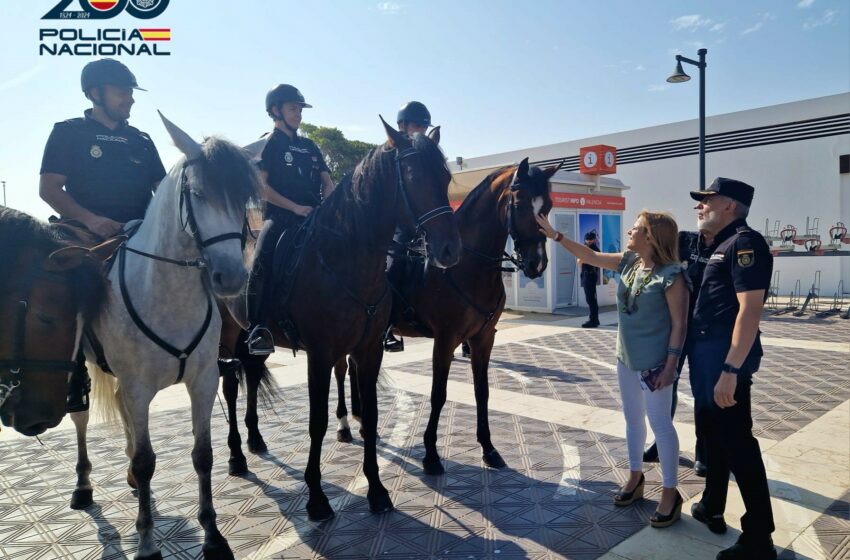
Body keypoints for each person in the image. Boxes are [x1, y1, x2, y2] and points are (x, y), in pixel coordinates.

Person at [536, 210, 689, 528]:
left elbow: (679, 325)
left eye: (635, 228)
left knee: (661, 426)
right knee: (633, 422)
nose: (629, 232)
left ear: (651, 236)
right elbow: (589, 255)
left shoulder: (672, 275)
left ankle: (670, 494)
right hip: (626, 358)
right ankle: (635, 478)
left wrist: (671, 366)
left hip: (656, 364)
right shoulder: (630, 263)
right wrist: (555, 234)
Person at [39, 58, 166, 414]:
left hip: (141, 231)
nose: (130, 98)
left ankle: (212, 349)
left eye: (130, 92)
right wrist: (91, 219)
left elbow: (162, 188)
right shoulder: (68, 131)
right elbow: (49, 188)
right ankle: (75, 371)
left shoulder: (141, 139)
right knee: (62, 284)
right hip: (85, 232)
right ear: (96, 92)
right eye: (122, 91)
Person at [688, 178, 776, 560]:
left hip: (726, 361)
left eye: (706, 200)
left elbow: (750, 309)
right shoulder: (716, 244)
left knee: (739, 443)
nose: (699, 206)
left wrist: (731, 369)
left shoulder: (745, 243)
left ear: (729, 206)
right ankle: (712, 505)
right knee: (714, 435)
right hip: (707, 356)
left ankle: (759, 538)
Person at [244, 84, 334, 355]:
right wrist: (295, 208)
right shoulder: (268, 144)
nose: (298, 114)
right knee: (261, 260)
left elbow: (327, 183)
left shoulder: (309, 146)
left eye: (299, 109)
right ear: (276, 110)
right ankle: (258, 328)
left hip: (316, 218)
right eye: (293, 109)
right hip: (282, 218)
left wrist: (325, 209)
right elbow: (262, 187)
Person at [644, 228, 714, 477]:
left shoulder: (726, 244)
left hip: (704, 330)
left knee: (701, 391)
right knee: (665, 386)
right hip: (675, 326)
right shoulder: (684, 240)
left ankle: (703, 451)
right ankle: (659, 441)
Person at [384, 101, 434, 353]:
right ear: (402, 126)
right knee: (392, 268)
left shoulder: (424, 153)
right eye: (419, 126)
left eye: (425, 127)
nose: (423, 131)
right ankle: (385, 326)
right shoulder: (388, 152)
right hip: (392, 224)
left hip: (421, 224)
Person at [576, 230, 601, 328]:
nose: (588, 241)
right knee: (590, 299)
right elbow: (579, 262)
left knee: (591, 299)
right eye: (587, 240)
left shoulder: (594, 249)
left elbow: (581, 261)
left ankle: (593, 320)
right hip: (586, 275)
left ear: (594, 240)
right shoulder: (585, 248)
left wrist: (583, 258)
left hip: (590, 275)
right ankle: (595, 319)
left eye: (590, 240)